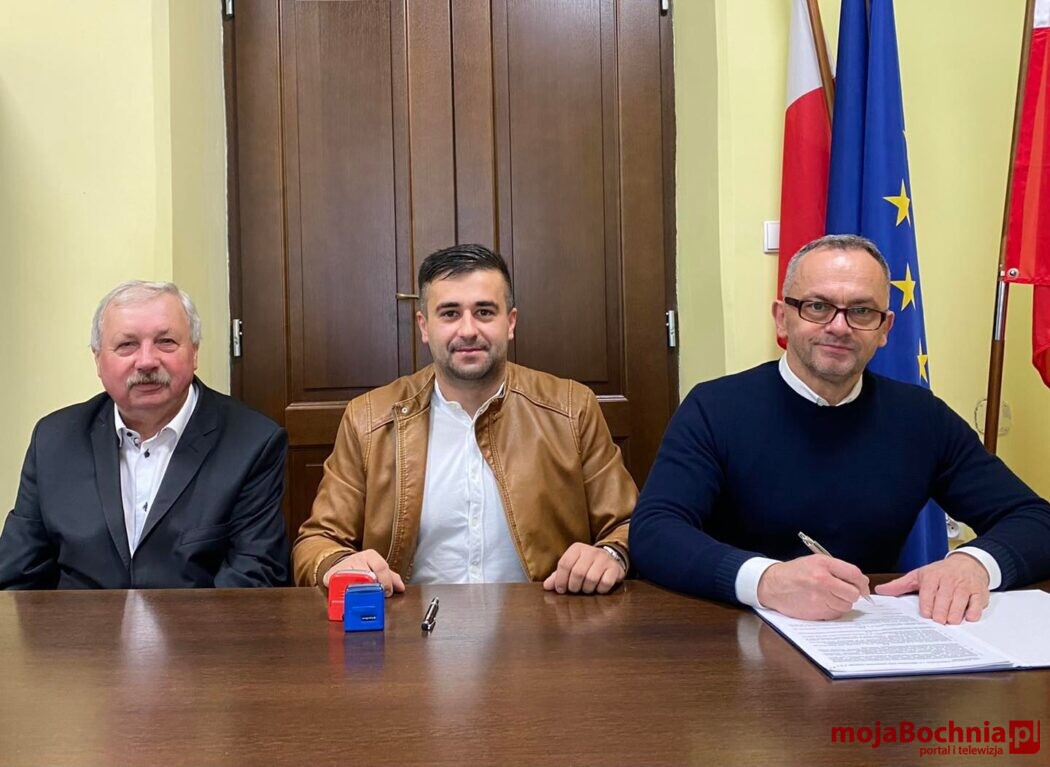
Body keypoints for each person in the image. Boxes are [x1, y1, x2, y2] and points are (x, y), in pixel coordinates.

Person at [629, 234, 1050, 624]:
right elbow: (655, 531)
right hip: (735, 636)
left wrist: (974, 563)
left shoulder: (921, 417)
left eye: (861, 311)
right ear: (782, 319)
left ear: (884, 329)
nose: (839, 326)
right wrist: (766, 581)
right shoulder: (714, 407)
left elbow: (1035, 519)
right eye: (817, 306)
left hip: (870, 636)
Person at [293, 244, 635, 595]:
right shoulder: (368, 419)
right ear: (424, 326)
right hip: (407, 626)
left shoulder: (572, 409)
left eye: (484, 312)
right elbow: (317, 541)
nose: (468, 330)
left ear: (510, 322)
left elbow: (629, 525)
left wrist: (610, 554)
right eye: (450, 313)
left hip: (546, 623)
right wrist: (338, 565)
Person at [0, 281, 290, 588]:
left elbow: (254, 578)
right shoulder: (54, 441)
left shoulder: (252, 442)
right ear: (98, 359)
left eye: (166, 342)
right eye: (127, 345)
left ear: (194, 352)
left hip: (203, 621)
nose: (147, 361)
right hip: (79, 621)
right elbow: (17, 576)